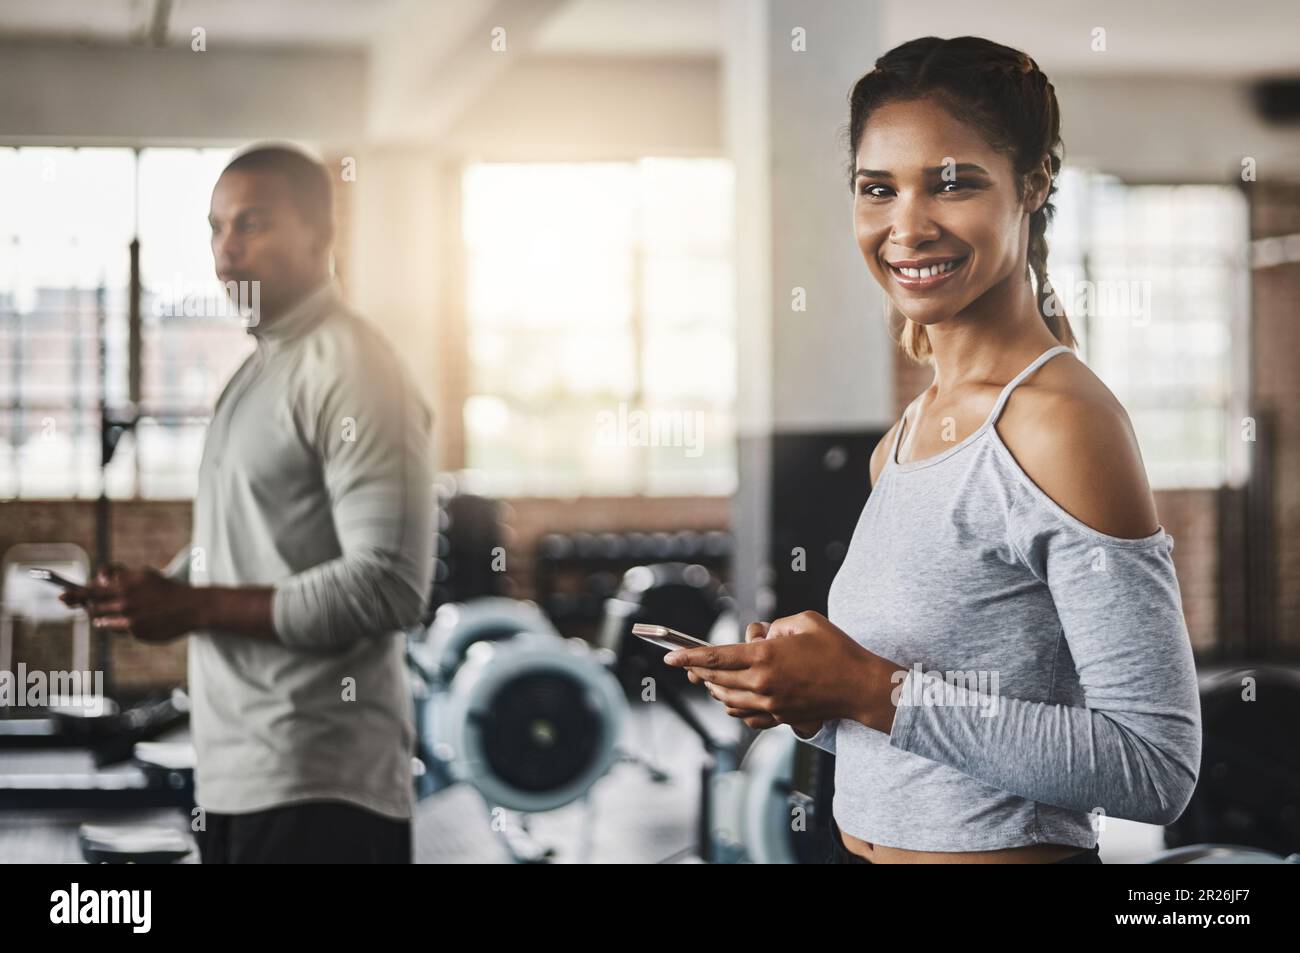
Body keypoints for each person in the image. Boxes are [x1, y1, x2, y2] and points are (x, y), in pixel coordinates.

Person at [665, 37, 1202, 864]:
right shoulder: (905, 438)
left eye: (952, 184)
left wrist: (865, 688)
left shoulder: (1063, 423)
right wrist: (810, 697)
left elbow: (1154, 765)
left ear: (1034, 182)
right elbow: (927, 749)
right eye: (877, 189)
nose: (906, 225)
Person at [65, 145, 435, 863]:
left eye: (252, 224)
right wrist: (160, 589)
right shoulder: (257, 373)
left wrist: (194, 606)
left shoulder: (353, 366)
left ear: (321, 237)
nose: (226, 251)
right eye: (215, 228)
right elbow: (249, 540)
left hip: (322, 784)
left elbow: (389, 584)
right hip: (237, 771)